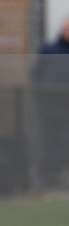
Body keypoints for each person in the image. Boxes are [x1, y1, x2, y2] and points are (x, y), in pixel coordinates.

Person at [32, 16, 69, 188]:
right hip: (50, 108)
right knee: (50, 143)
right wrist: (42, 97)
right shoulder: (48, 50)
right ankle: (46, 178)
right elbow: (35, 76)